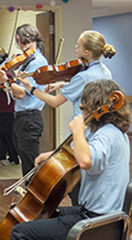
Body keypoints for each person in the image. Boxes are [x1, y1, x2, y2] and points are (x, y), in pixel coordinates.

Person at [10, 79, 130, 240]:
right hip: (102, 214)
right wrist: (54, 154)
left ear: (94, 106)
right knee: (45, 213)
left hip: (96, 219)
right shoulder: (115, 132)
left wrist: (78, 130)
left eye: (84, 107)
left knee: (20, 232)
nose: (82, 111)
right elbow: (85, 152)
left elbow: (86, 161)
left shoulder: (106, 135)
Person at [16, 30, 116, 205]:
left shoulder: (83, 76)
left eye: (79, 44)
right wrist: (62, 83)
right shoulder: (105, 72)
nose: (75, 47)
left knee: (74, 182)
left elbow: (54, 102)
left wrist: (31, 89)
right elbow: (83, 84)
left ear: (86, 52)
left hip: (82, 133)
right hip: (99, 129)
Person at [0, 24, 48, 176]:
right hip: (22, 117)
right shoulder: (26, 61)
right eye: (18, 41)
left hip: (30, 117)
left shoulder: (37, 63)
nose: (21, 45)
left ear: (33, 39)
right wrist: (2, 75)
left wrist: (6, 81)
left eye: (23, 41)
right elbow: (15, 91)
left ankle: (33, 198)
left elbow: (22, 93)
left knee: (30, 164)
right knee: (26, 161)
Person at [0, 47, 19, 166]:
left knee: (8, 135)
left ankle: (14, 158)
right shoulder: (2, 73)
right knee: (2, 134)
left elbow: (3, 88)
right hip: (0, 109)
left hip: (6, 109)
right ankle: (2, 156)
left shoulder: (7, 74)